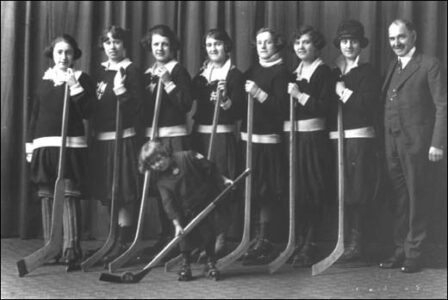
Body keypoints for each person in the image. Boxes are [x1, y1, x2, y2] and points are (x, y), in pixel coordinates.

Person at [379, 19, 446, 273]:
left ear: (414, 36)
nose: (396, 43)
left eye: (401, 37)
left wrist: (437, 143)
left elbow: (443, 105)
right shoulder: (392, 66)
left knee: (417, 198)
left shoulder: (429, 65)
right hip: (392, 144)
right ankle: (400, 250)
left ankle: (415, 254)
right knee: (400, 199)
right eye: (392, 38)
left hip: (418, 145)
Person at [26, 34, 95, 270]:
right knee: (47, 194)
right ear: (52, 55)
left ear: (74, 55)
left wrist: (74, 86)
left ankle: (70, 247)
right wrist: (29, 146)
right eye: (59, 52)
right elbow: (34, 116)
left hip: (71, 145)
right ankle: (50, 247)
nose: (64, 56)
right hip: (45, 145)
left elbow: (88, 111)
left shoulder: (82, 79)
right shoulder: (44, 81)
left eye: (68, 52)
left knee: (68, 194)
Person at [138, 140, 232, 281]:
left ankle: (211, 263)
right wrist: (177, 224)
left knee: (208, 235)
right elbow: (168, 203)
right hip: (185, 211)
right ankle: (185, 265)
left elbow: (210, 168)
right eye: (152, 164)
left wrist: (224, 180)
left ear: (165, 153)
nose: (158, 164)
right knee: (185, 239)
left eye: (159, 159)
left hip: (205, 203)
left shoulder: (188, 156)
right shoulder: (161, 181)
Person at [89, 26, 142, 264]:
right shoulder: (99, 72)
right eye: (108, 42)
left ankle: (125, 242)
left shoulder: (131, 70)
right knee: (109, 194)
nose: (112, 46)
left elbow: (138, 109)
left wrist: (121, 90)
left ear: (125, 44)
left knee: (123, 193)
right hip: (103, 140)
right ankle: (113, 240)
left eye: (117, 41)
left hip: (123, 139)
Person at [329, 20, 381, 262]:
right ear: (339, 44)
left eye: (353, 41)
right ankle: (343, 239)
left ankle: (356, 243)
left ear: (361, 45)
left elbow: (367, 106)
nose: (349, 45)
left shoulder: (368, 72)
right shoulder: (334, 71)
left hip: (359, 138)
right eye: (344, 41)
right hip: (336, 137)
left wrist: (343, 91)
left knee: (357, 190)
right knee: (341, 190)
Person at [140, 24, 193, 252]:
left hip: (173, 139)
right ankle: (165, 237)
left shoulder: (178, 70)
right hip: (154, 138)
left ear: (172, 46)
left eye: (164, 44)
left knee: (176, 188)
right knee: (160, 189)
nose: (160, 48)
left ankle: (182, 238)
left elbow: (185, 104)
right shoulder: (148, 73)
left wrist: (169, 82)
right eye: (156, 44)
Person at [191, 28, 244, 257]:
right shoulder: (202, 74)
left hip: (222, 135)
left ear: (227, 47)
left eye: (218, 44)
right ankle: (204, 238)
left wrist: (226, 100)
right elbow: (190, 97)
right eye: (209, 45)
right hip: (200, 135)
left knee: (220, 185)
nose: (213, 49)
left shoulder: (234, 75)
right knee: (201, 187)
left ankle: (221, 236)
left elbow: (239, 110)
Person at [241, 28, 289, 265]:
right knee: (252, 191)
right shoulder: (251, 71)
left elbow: (281, 109)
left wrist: (259, 93)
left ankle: (266, 239)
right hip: (250, 139)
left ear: (276, 45)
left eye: (268, 42)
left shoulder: (281, 72)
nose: (263, 46)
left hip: (269, 140)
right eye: (259, 42)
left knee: (266, 191)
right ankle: (253, 238)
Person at [286, 25, 333, 267]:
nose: (301, 47)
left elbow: (325, 107)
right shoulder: (294, 72)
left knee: (313, 188)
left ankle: (311, 242)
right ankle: (300, 239)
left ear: (316, 46)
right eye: (298, 43)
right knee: (298, 190)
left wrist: (299, 95)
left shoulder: (323, 71)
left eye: (306, 42)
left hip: (314, 139)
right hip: (296, 137)